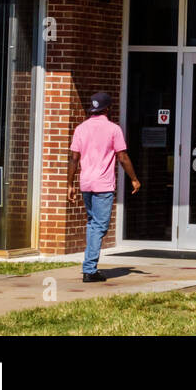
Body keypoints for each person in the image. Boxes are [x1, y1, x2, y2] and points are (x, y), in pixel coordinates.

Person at [68, 92, 140, 282]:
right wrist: (134, 179)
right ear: (108, 108)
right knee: (100, 226)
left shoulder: (81, 128)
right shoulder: (113, 129)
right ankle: (89, 269)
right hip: (103, 185)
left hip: (86, 183)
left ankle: (90, 267)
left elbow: (74, 159)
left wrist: (70, 184)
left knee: (93, 224)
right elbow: (122, 157)